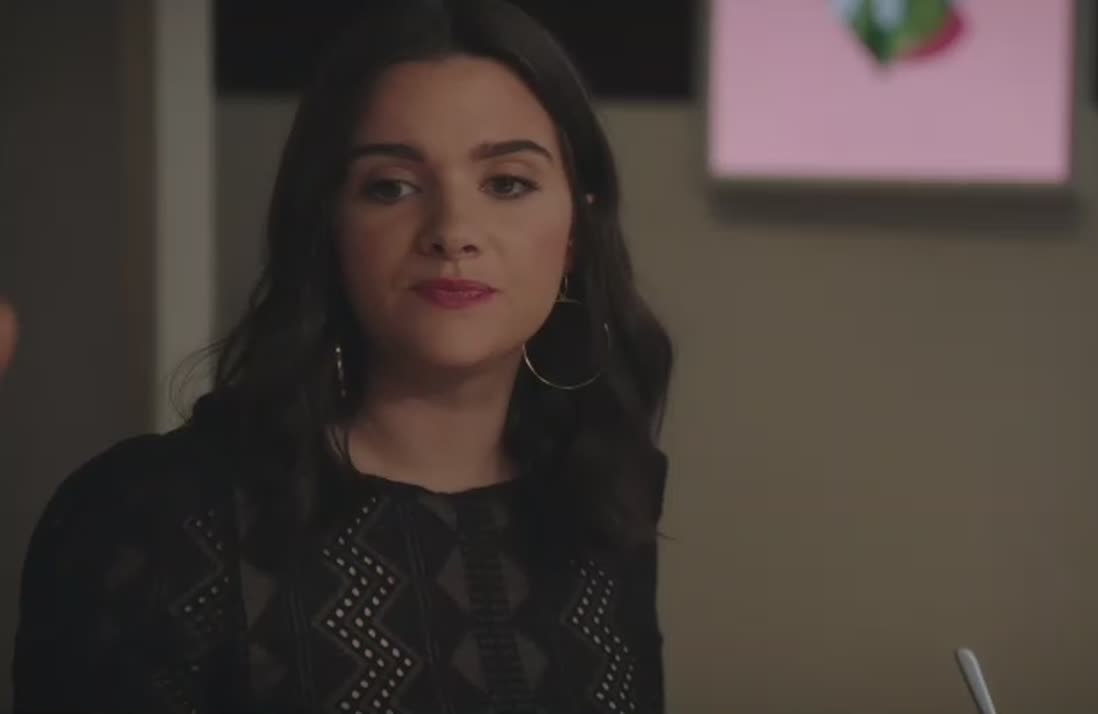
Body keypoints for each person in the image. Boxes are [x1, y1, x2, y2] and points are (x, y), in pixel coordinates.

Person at [10, 1, 673, 712]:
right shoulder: (155, 517)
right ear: (327, 228)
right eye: (391, 187)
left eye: (506, 183)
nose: (452, 230)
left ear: (576, 233)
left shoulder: (599, 502)